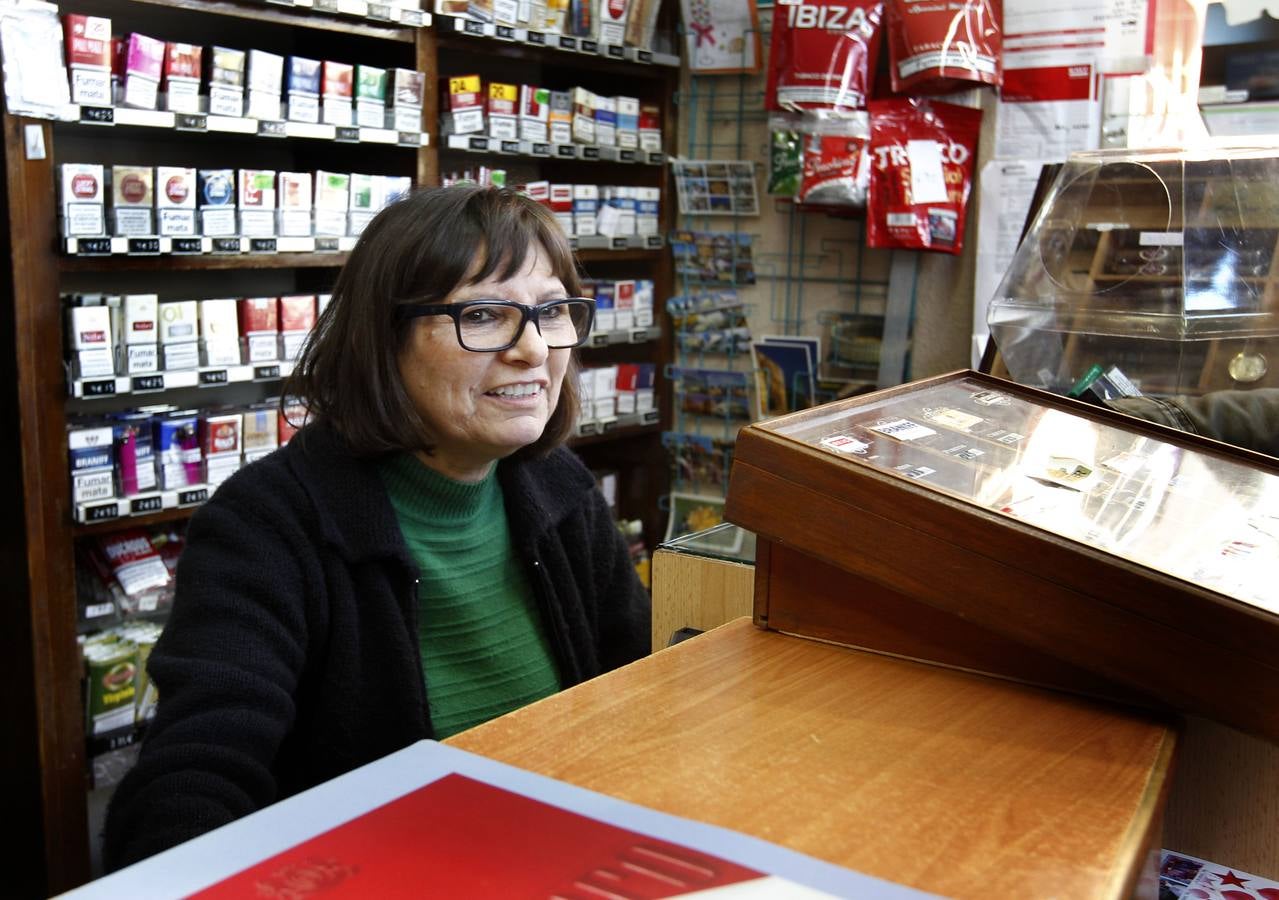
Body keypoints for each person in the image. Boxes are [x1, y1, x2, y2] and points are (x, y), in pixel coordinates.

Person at [102, 185, 651, 869]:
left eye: (551, 312)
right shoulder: (266, 526)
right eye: (483, 315)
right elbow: (198, 766)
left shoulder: (558, 488)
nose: (533, 350)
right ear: (383, 336)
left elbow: (638, 702)